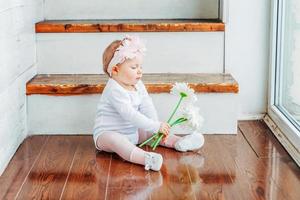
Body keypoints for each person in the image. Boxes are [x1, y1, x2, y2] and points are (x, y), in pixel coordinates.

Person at [93, 35, 204, 171]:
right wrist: (154, 125)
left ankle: (180, 142)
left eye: (140, 66)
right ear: (115, 70)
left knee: (152, 133)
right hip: (106, 134)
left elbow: (147, 105)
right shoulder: (114, 89)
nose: (139, 71)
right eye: (134, 67)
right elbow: (130, 115)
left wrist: (157, 127)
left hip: (132, 133)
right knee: (117, 141)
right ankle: (146, 158)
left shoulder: (138, 84)